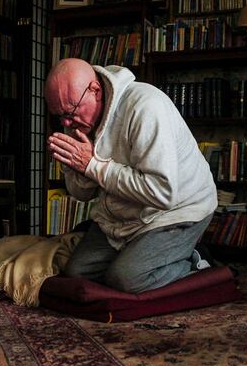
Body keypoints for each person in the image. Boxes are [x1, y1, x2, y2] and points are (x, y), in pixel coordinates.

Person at [44, 58, 217, 294]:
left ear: (95, 90)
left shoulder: (145, 106)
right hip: (121, 216)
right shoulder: (74, 120)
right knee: (77, 274)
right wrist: (79, 167)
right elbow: (80, 194)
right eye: (58, 115)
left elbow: (162, 193)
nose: (65, 122)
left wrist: (93, 165)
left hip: (176, 211)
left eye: (70, 112)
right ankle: (144, 257)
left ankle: (194, 259)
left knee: (127, 279)